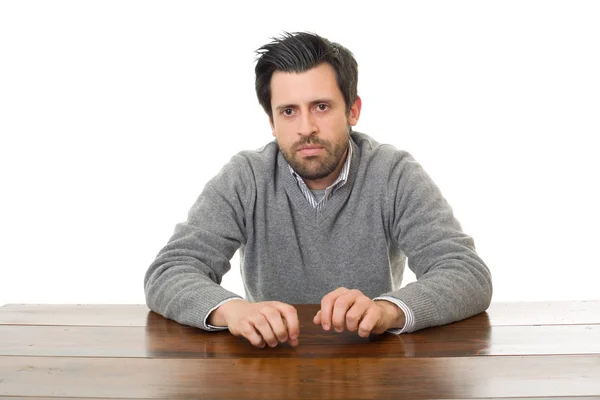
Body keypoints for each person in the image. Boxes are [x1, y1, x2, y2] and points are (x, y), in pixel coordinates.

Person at [144, 32, 492, 348]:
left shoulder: (393, 174)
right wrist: (232, 311)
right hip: (268, 364)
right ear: (272, 122)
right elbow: (170, 270)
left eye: (321, 107)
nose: (306, 128)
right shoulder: (246, 177)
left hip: (373, 366)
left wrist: (387, 310)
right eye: (289, 112)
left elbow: (466, 273)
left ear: (352, 110)